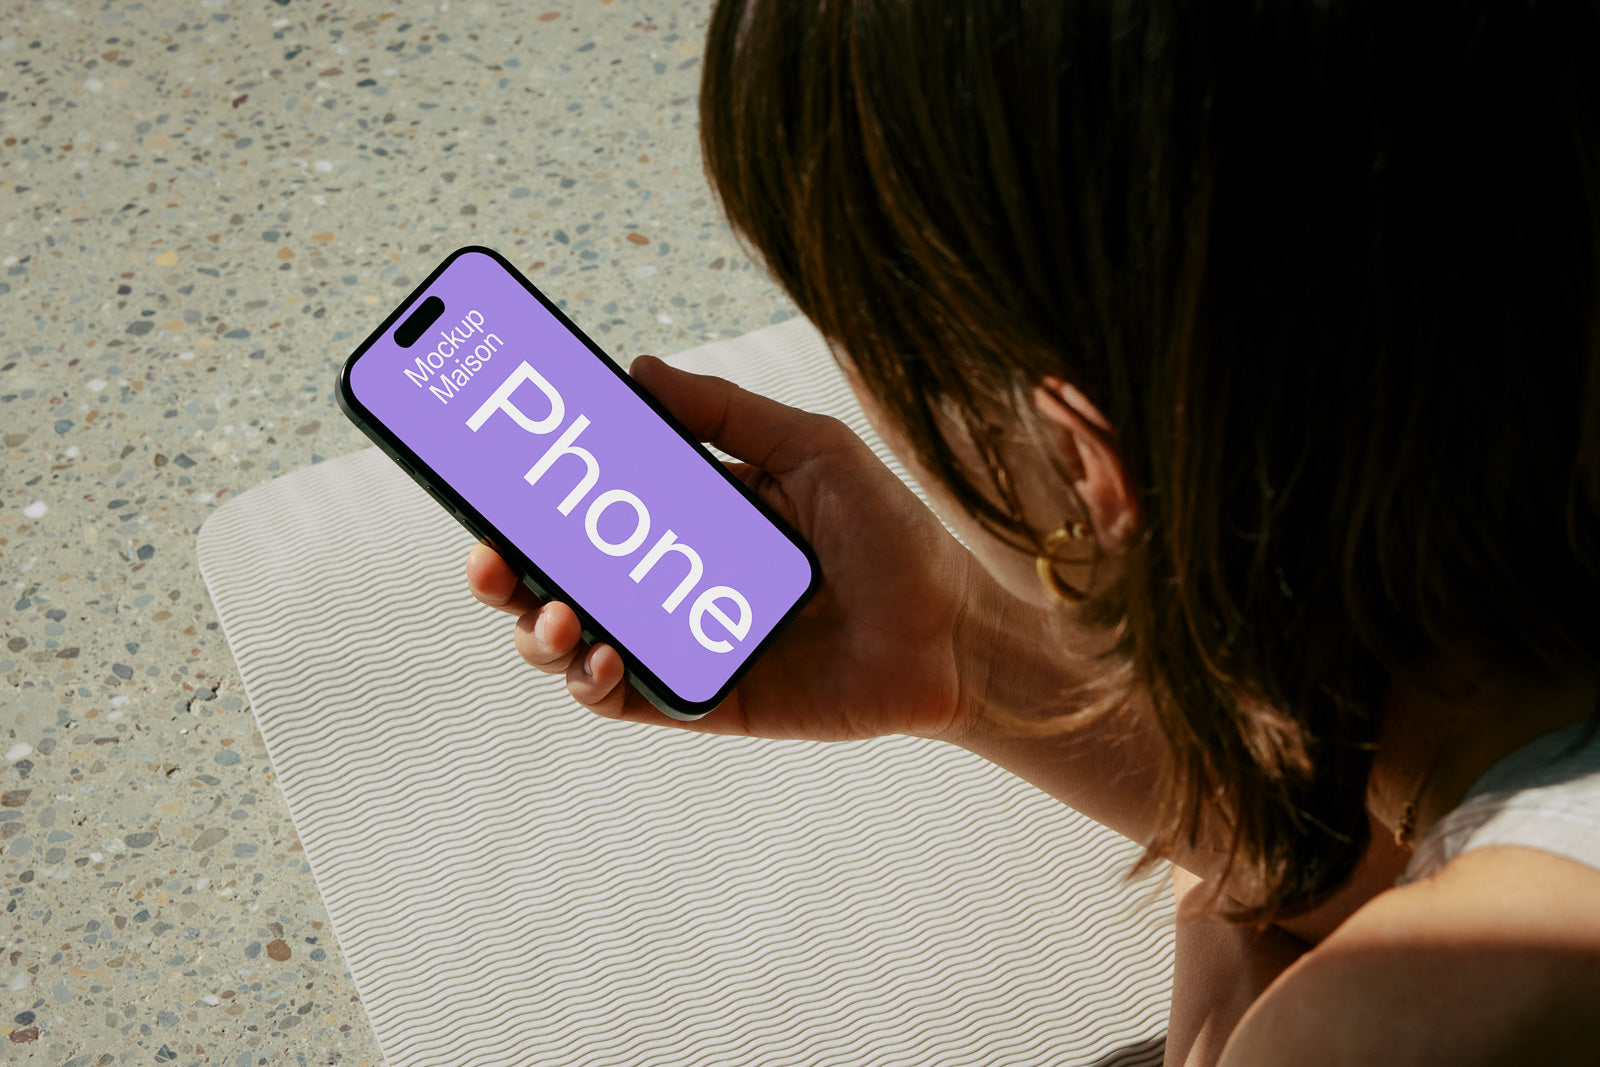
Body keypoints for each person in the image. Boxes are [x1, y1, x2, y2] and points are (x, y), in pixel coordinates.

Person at [468, 2, 1600, 1063]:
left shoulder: (1413, 1018)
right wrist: (961, 648)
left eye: (870, 351)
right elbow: (1431, 859)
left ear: (1080, 462)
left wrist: (1236, 934)